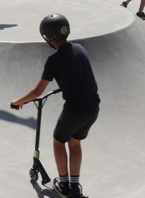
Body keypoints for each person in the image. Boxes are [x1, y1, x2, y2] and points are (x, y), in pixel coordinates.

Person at [11, 15, 100, 198]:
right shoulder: (79, 48)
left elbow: (37, 92)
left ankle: (64, 185)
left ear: (48, 38)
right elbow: (78, 72)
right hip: (92, 107)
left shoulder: (54, 61)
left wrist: (18, 101)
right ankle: (75, 187)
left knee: (59, 141)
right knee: (74, 142)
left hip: (75, 110)